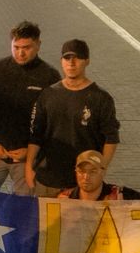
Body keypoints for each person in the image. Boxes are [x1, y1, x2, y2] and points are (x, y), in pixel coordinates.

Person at [25, 38, 121, 198]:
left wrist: (100, 169)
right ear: (61, 61)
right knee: (44, 216)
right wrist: (29, 166)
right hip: (47, 180)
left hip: (81, 183)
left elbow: (111, 138)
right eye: (67, 58)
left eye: (77, 58)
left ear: (87, 61)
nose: (71, 63)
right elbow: (36, 135)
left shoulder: (100, 98)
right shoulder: (48, 94)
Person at [0, 21, 60, 195]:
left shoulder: (50, 77)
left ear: (38, 45)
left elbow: (52, 122)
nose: (20, 53)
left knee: (24, 207)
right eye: (16, 47)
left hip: (27, 159)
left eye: (26, 48)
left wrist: (32, 151)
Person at [58, 149, 140, 200]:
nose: (86, 177)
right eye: (81, 171)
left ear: (103, 172)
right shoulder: (64, 199)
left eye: (93, 172)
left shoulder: (120, 195)